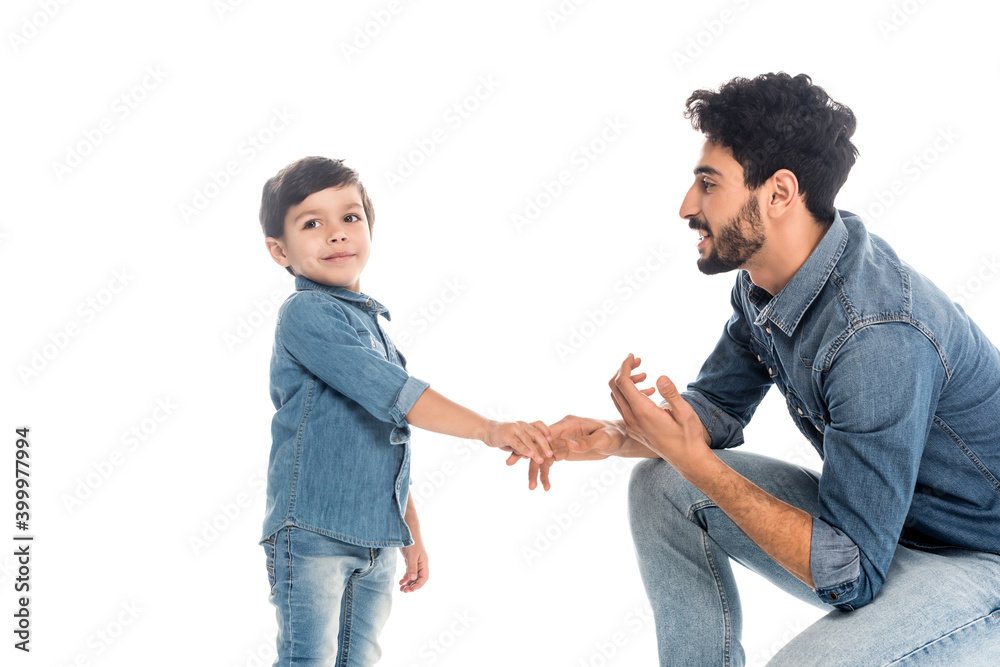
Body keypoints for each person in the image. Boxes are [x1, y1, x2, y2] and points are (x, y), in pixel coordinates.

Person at [525, 73, 1000, 665]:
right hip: (887, 527)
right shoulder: (767, 284)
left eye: (708, 184)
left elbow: (851, 572)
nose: (686, 207)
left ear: (779, 193)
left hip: (978, 557)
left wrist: (695, 461)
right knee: (660, 484)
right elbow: (719, 409)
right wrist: (619, 436)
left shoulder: (876, 335)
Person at [258, 156, 553, 666]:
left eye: (350, 217)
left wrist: (408, 530)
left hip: (376, 537)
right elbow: (400, 396)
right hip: (313, 532)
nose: (336, 233)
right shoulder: (306, 313)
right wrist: (489, 428)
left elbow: (387, 437)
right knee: (307, 659)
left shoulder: (374, 328)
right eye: (312, 223)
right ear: (279, 250)